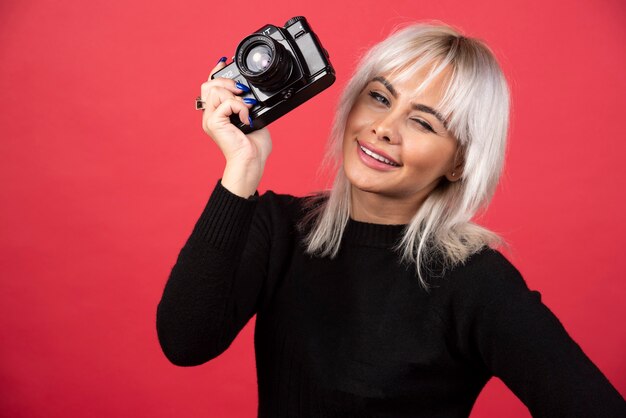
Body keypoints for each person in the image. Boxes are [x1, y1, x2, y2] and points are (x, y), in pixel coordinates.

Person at [156, 23, 626, 417]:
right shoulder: (279, 227)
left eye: (423, 122)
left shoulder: (476, 282)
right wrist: (242, 166)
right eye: (380, 98)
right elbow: (185, 343)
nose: (384, 127)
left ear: (460, 162)